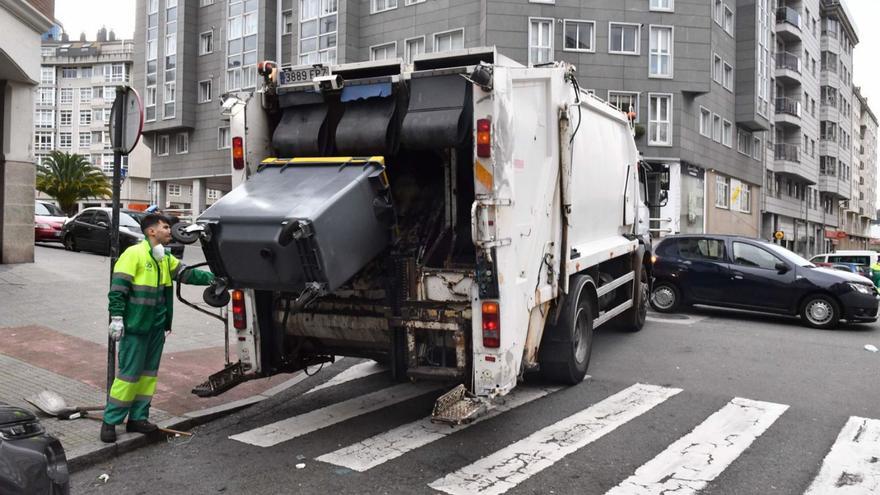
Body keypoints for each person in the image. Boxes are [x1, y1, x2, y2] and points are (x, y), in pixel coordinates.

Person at [101, 213, 215, 443]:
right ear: (151, 231)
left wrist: (215, 278)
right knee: (128, 376)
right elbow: (118, 289)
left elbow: (186, 274)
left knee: (148, 376)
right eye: (165, 227)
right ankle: (110, 421)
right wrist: (117, 317)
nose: (169, 231)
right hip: (136, 327)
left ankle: (138, 418)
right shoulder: (134, 254)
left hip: (156, 328)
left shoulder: (163, 257)